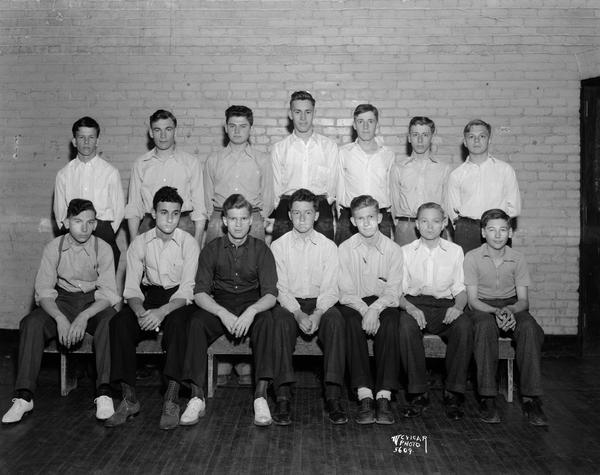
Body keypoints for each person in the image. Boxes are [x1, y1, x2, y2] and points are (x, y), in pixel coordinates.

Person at [2, 199, 119, 424]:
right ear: (66, 222)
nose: (84, 228)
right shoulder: (53, 247)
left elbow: (108, 294)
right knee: (31, 323)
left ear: (95, 224)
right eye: (77, 221)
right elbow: (44, 292)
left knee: (110, 322)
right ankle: (24, 396)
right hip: (62, 300)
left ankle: (104, 393)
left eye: (90, 222)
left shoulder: (103, 248)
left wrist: (85, 316)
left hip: (92, 301)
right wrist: (59, 318)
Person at [105, 187, 200, 430]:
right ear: (153, 213)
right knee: (119, 323)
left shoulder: (189, 244)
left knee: (179, 325)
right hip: (150, 296)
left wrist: (162, 312)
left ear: (181, 216)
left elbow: (188, 290)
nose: (169, 219)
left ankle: (171, 399)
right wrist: (140, 312)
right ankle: (129, 399)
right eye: (164, 212)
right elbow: (132, 289)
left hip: (179, 300)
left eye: (175, 213)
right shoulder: (140, 243)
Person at [189, 194, 278, 427]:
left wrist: (251, 311)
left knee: (268, 322)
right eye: (233, 219)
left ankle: (260, 396)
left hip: (252, 301)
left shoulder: (262, 250)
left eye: (243, 218)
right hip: (221, 303)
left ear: (251, 221)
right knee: (196, 323)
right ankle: (196, 397)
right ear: (224, 221)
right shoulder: (211, 249)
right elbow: (199, 293)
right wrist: (222, 313)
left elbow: (270, 294)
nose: (238, 224)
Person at [270, 189, 347, 425]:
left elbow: (331, 288)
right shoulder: (279, 246)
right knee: (280, 323)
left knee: (336, 322)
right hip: (289, 304)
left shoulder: (328, 247)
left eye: (307, 213)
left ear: (316, 215)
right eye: (296, 213)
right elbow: (280, 288)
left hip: (319, 302)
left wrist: (318, 312)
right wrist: (297, 312)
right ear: (290, 215)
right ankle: (282, 396)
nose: (302, 218)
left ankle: (333, 396)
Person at [464, 209, 547, 426]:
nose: (497, 235)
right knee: (484, 328)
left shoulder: (517, 258)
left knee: (529, 328)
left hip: (511, 304)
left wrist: (510, 310)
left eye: (503, 230)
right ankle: (487, 398)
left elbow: (524, 300)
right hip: (483, 306)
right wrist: (494, 312)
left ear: (510, 233)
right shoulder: (472, 257)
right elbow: (472, 300)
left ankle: (531, 399)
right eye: (492, 230)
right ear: (483, 232)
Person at [398, 202, 473, 420]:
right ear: (417, 225)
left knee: (465, 326)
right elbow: (398, 292)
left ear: (444, 224)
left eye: (435, 221)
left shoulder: (455, 251)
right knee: (404, 326)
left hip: (445, 305)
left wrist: (458, 307)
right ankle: (418, 393)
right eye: (424, 221)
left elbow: (460, 289)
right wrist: (410, 308)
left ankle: (453, 393)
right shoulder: (405, 252)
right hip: (415, 304)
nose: (429, 227)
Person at [338, 195, 403, 425]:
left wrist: (374, 309)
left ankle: (384, 395)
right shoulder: (344, 249)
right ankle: (364, 394)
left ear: (380, 218)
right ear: (353, 221)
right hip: (355, 302)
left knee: (392, 322)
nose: (366, 223)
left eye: (371, 217)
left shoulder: (394, 250)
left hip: (383, 303)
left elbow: (393, 292)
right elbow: (345, 292)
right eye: (360, 218)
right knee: (349, 323)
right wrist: (365, 310)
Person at [125, 109, 207, 246]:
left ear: (175, 131)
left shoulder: (191, 162)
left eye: (168, 129)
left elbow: (199, 207)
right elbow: (134, 207)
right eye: (157, 130)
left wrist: (197, 242)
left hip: (183, 224)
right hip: (150, 224)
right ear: (151, 133)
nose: (163, 135)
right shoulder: (140, 164)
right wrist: (134, 243)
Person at [54, 116, 125, 268]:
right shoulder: (64, 174)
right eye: (81, 137)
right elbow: (60, 213)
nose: (86, 142)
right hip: (73, 233)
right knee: (74, 284)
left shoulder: (110, 172)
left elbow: (119, 210)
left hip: (102, 231)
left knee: (104, 286)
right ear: (74, 141)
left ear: (97, 141)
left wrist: (105, 231)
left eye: (91, 137)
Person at [445, 119, 521, 253]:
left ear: (489, 140)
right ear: (465, 142)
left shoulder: (504, 170)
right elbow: (452, 211)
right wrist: (465, 227)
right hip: (467, 232)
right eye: (471, 137)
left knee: (500, 271)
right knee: (468, 271)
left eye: (482, 136)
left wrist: (497, 224)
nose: (476, 141)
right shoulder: (456, 174)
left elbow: (514, 206)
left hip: (496, 228)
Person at [271, 90, 339, 241]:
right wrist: (282, 207)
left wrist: (325, 202)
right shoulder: (280, 148)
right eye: (297, 112)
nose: (302, 118)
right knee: (282, 256)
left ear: (314, 113)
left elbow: (333, 183)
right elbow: (276, 187)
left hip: (320, 206)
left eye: (307, 112)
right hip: (288, 206)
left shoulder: (329, 146)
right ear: (290, 114)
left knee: (324, 255)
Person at [204, 105, 274, 244]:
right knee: (215, 263)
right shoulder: (213, 159)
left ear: (251, 129)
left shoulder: (262, 159)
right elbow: (206, 195)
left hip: (253, 218)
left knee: (253, 263)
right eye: (232, 126)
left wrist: (259, 218)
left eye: (243, 126)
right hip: (219, 219)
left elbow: (268, 195)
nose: (237, 131)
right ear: (225, 128)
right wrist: (213, 217)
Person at [336, 104, 395, 244]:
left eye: (370, 121)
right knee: (347, 263)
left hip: (380, 217)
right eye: (360, 121)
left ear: (377, 124)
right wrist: (343, 215)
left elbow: (390, 190)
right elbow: (339, 188)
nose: (365, 126)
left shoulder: (388, 155)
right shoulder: (344, 153)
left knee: (381, 263)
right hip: (350, 217)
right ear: (354, 125)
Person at [390, 116, 450, 246]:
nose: (420, 140)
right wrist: (401, 224)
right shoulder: (398, 168)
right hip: (407, 227)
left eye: (425, 135)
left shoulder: (443, 168)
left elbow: (446, 203)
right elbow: (394, 202)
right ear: (409, 138)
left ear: (432, 138)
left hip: (434, 227)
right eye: (415, 134)